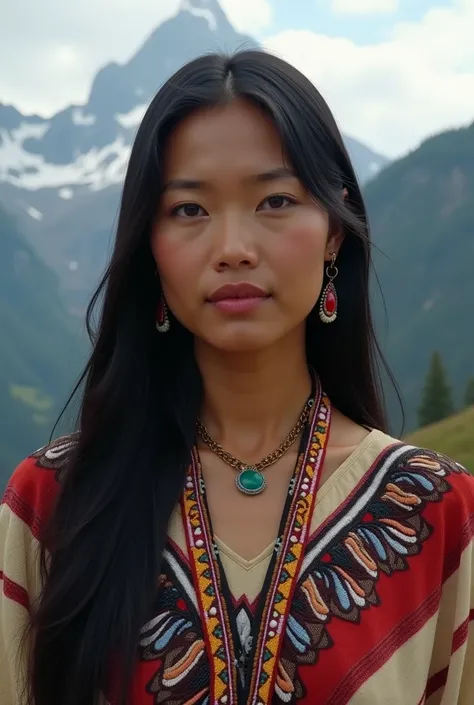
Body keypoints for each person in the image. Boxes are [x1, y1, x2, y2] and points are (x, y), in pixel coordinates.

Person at [0, 50, 473, 705]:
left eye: (275, 200)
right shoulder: (50, 506)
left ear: (334, 229)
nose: (233, 246)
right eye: (190, 210)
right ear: (150, 245)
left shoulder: (438, 511)